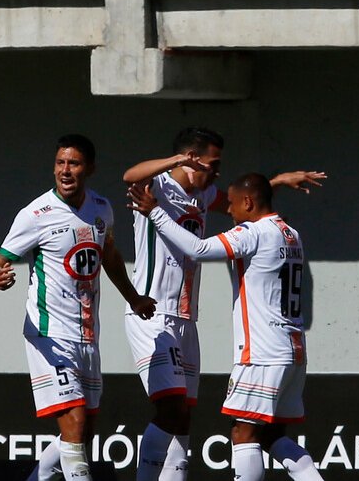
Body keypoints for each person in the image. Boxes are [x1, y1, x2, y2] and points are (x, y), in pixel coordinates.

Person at [122, 127, 326, 480]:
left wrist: (272, 182)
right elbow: (129, 175)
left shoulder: (206, 195)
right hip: (152, 312)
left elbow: (240, 202)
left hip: (188, 318)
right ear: (190, 159)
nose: (217, 174)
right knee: (176, 413)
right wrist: (173, 163)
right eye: (213, 165)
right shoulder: (158, 188)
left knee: (184, 420)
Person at [0, 134, 156, 481]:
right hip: (48, 334)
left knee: (82, 430)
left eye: (73, 163)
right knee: (75, 422)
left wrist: (133, 297)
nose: (65, 170)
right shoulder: (36, 214)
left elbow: (107, 255)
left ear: (89, 168)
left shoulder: (101, 208)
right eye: (60, 163)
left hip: (87, 336)